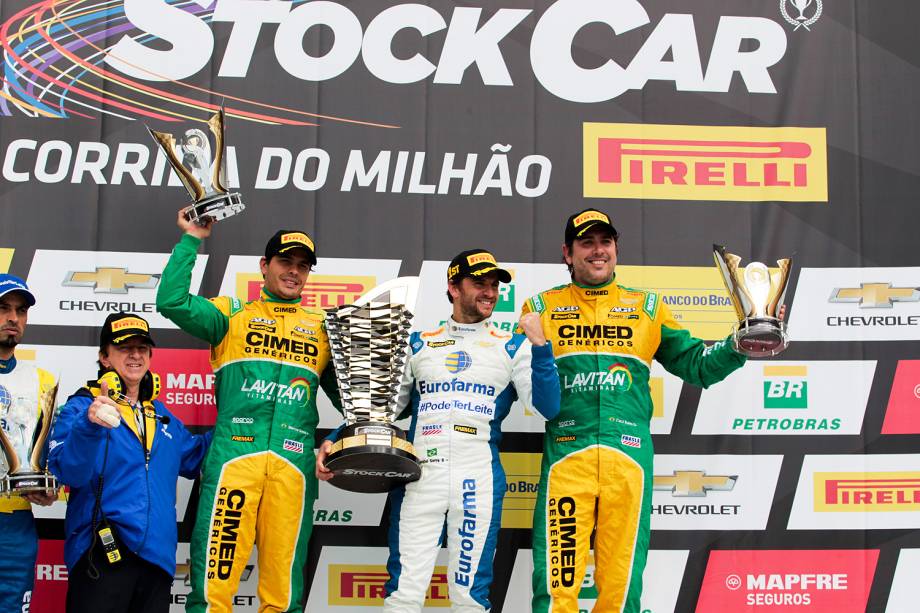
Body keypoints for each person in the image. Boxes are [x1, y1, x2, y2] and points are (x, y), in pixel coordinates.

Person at [523, 209, 748, 613]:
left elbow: (696, 364)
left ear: (615, 248)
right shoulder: (541, 307)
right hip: (566, 457)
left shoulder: (647, 307)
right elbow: (533, 390)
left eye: (605, 242)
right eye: (586, 243)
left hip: (627, 458)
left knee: (622, 586)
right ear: (567, 253)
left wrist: (739, 345)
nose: (598, 251)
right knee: (555, 587)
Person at [318, 249, 561, 612]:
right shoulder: (419, 344)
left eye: (494, 285)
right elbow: (383, 410)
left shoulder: (512, 345)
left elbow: (549, 407)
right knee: (405, 592)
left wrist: (541, 348)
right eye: (479, 283)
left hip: (476, 479)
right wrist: (336, 438)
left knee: (469, 597)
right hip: (420, 477)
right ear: (453, 287)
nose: (490, 292)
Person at [156, 211, 342, 613]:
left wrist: (334, 441)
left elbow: (357, 402)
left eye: (302, 266)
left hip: (293, 465)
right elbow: (170, 301)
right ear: (264, 266)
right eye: (285, 262)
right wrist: (192, 239)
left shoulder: (325, 328)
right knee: (213, 588)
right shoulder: (231, 314)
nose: (294, 272)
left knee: (284, 592)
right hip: (233, 460)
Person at [48, 313, 210, 613]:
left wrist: (240, 421)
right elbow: (69, 471)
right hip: (101, 554)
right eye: (124, 347)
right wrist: (90, 426)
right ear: (104, 358)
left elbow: (197, 458)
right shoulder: (82, 407)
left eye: (142, 347)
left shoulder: (162, 416)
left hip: (157, 560)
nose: (135, 354)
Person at [0, 274, 58, 612]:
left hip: (16, 523)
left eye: (20, 311)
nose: (13, 318)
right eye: (4, 308)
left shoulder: (43, 381)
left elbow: (47, 458)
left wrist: (49, 487)